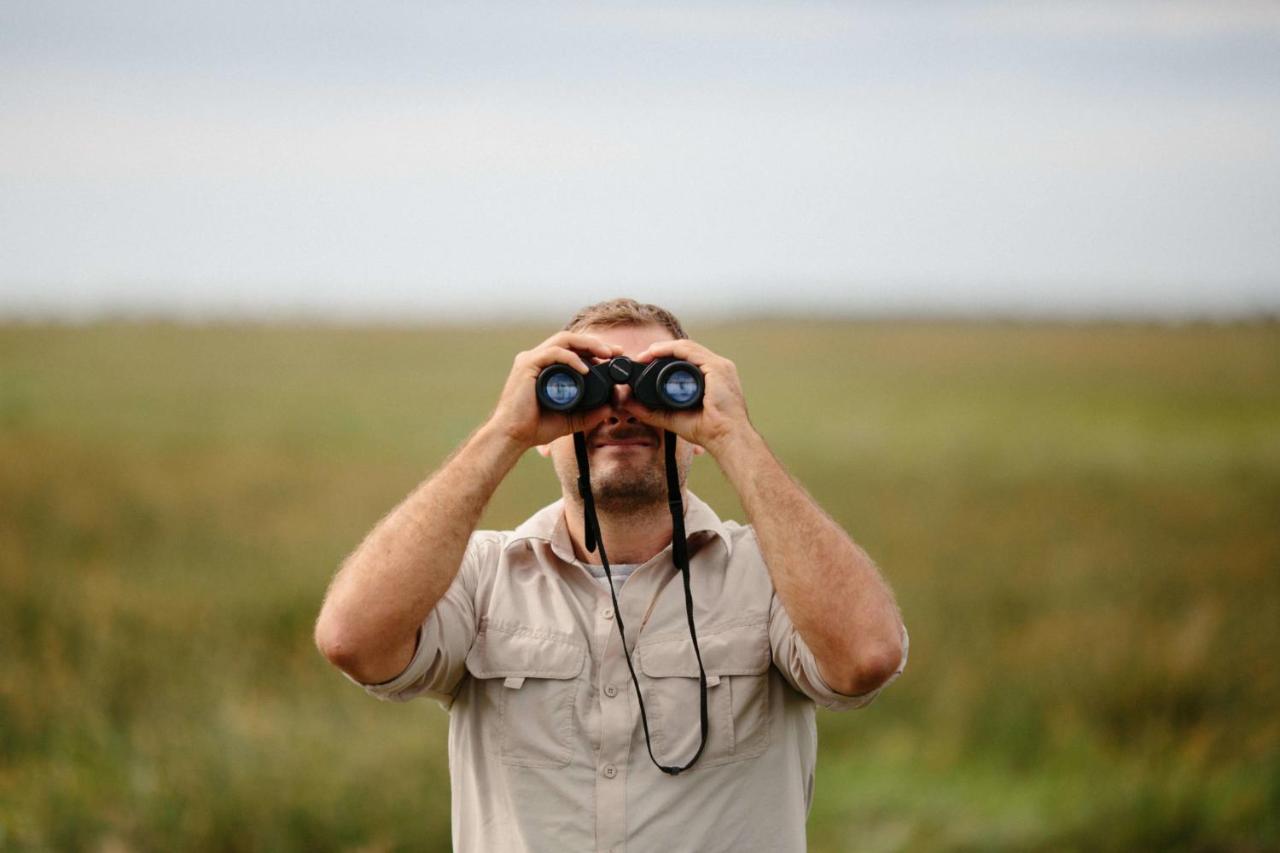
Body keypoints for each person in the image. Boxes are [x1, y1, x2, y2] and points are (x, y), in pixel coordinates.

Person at [315, 298, 908, 852]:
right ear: (547, 429)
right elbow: (353, 640)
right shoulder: (481, 577)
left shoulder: (772, 575)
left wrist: (735, 435)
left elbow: (865, 659)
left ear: (694, 426)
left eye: (659, 384)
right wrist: (503, 434)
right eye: (588, 384)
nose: (621, 408)